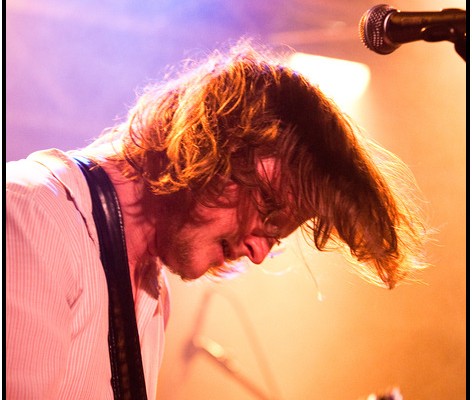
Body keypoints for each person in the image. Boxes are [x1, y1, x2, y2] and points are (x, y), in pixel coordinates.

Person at [6, 40, 428, 399]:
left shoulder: (152, 292)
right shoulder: (30, 216)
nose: (260, 253)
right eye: (268, 212)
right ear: (212, 148)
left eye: (276, 237)